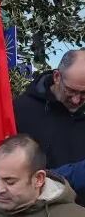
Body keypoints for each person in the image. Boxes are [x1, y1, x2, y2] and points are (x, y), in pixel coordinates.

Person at [15, 49, 85, 177]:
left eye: (84, 93)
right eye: (70, 90)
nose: (76, 100)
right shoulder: (23, 110)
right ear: (57, 77)